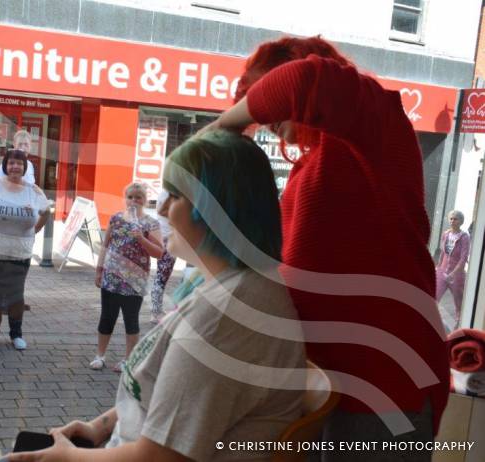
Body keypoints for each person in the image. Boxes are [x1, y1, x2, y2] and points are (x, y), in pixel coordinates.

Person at [204, 36, 450, 459]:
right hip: (326, 385)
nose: (265, 118)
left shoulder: (375, 123)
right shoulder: (309, 167)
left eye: (264, 99)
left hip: (384, 383)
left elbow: (302, 82)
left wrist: (221, 126)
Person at [3, 130, 305, 462]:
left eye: (174, 195)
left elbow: (160, 456)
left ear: (215, 208)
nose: (160, 207)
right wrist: (100, 426)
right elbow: (162, 391)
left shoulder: (226, 315)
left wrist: (67, 457)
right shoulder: (227, 285)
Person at [0, 149, 50, 350]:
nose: (16, 167)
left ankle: (16, 333)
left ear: (25, 168)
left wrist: (35, 230)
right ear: (5, 166)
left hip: (20, 253)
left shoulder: (34, 191)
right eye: (12, 163)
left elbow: (46, 212)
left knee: (16, 295)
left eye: (20, 164)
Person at [90, 182, 163, 373]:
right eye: (130, 197)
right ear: (125, 198)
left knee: (131, 319)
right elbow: (105, 246)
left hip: (135, 281)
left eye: (138, 197)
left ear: (145, 200)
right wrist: (99, 270)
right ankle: (100, 356)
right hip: (111, 277)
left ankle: (128, 360)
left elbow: (159, 252)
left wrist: (141, 238)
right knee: (107, 317)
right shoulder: (116, 219)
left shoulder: (150, 223)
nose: (134, 201)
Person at [436, 210, 470, 327]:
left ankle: (458, 324)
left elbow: (464, 258)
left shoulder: (465, 237)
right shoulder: (446, 234)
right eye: (451, 218)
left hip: (456, 275)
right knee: (434, 296)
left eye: (455, 219)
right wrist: (438, 267)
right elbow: (442, 253)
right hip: (442, 271)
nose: (452, 221)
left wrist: (453, 273)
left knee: (458, 302)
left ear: (461, 221)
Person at [149, 189, 177, 324]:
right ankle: (155, 312)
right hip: (167, 239)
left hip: (165, 237)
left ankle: (157, 310)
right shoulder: (169, 195)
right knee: (161, 277)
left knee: (162, 276)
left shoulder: (164, 193)